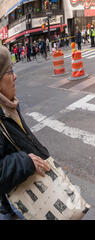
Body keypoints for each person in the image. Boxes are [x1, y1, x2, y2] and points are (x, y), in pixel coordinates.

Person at [0, 45, 51, 220]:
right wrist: (25, 162)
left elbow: (23, 137)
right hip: (18, 200)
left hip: (28, 185)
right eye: (9, 71)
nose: (15, 76)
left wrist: (42, 155)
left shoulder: (9, 103)